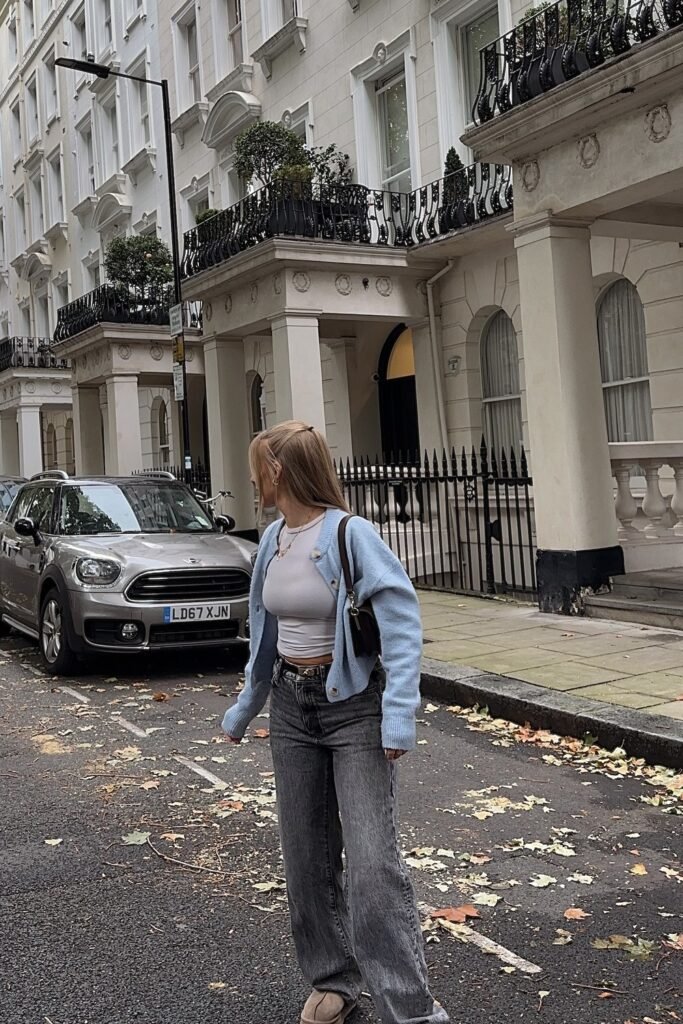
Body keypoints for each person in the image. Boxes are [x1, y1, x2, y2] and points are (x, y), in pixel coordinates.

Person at [222, 420, 449, 1024]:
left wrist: (399, 717)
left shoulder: (351, 534)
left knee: (374, 866)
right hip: (292, 708)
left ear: (278, 470)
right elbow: (264, 632)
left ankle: (411, 1007)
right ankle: (333, 980)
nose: (252, 478)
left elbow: (401, 623)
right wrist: (248, 705)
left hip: (354, 708)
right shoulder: (272, 539)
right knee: (305, 857)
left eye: (257, 468)